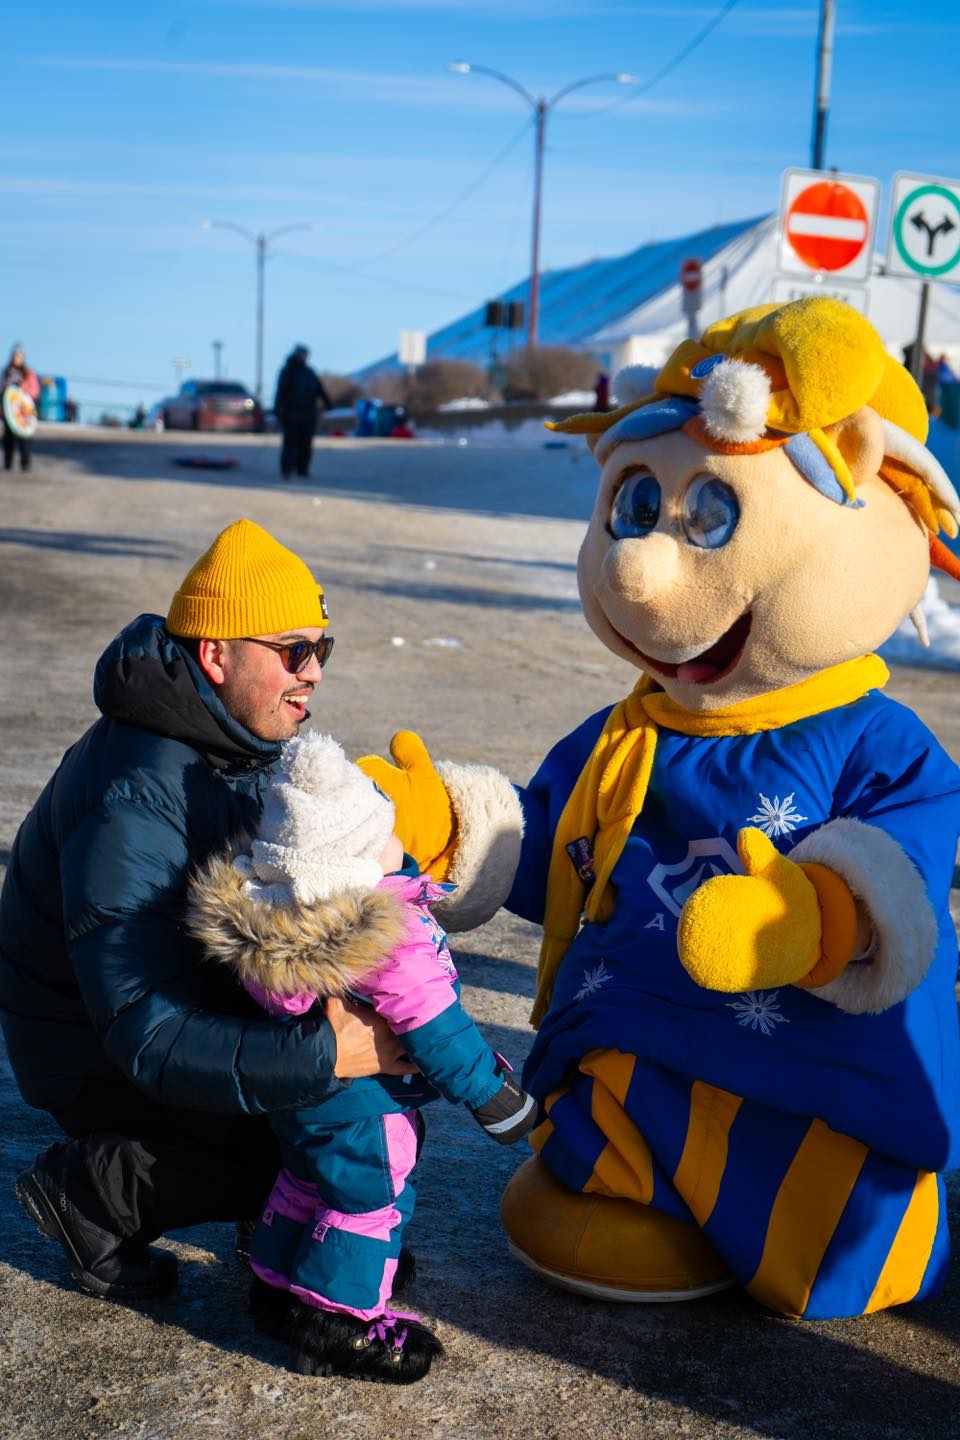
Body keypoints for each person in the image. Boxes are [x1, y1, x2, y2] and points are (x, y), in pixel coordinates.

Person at [1, 518, 412, 1312]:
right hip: (96, 1051)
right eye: (292, 651)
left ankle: (281, 1210)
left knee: (362, 1130)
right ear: (217, 654)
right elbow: (143, 1029)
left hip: (177, 997)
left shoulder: (231, 735)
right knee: (325, 1134)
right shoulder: (134, 794)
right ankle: (96, 1193)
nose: (313, 673)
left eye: (321, 650)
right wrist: (325, 1052)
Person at [188, 731, 536, 1382]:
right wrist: (496, 1096)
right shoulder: (385, 937)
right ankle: (340, 1323)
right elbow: (437, 1029)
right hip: (367, 1108)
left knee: (305, 1179)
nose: (397, 842)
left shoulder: (277, 913)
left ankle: (276, 1283)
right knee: (369, 1201)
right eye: (383, 835)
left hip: (302, 1089)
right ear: (350, 863)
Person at [273, 345, 332, 480]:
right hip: (291, 414)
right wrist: (277, 409)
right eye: (301, 354)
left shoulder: (309, 372)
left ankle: (302, 469)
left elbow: (319, 389)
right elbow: (280, 391)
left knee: (306, 444)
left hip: (308, 414)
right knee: (290, 443)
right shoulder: (287, 371)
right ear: (296, 354)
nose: (304, 356)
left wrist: (328, 403)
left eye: (305, 354)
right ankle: (287, 469)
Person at [2, 343, 40, 471]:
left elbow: (35, 391)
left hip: (24, 412)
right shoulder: (6, 372)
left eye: (19, 356)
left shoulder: (28, 373)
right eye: (15, 356)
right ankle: (8, 463)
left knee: (25, 439)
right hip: (9, 412)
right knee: (8, 439)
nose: (16, 358)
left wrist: (25, 389)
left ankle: (25, 463)